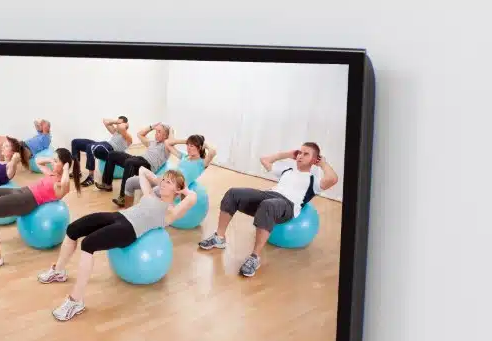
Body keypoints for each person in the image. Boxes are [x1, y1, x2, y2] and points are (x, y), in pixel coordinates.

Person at [38, 167, 199, 321]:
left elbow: (192, 197)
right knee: (73, 228)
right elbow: (142, 170)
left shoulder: (170, 211)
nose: (163, 183)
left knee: (88, 244)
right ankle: (58, 271)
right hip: (119, 216)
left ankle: (76, 300)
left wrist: (182, 190)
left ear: (177, 190)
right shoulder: (151, 194)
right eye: (164, 180)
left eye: (169, 183)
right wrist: (160, 181)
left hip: (129, 230)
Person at [197, 142, 337, 278]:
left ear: (314, 159)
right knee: (233, 193)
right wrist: (287, 154)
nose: (300, 156)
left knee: (268, 205)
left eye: (305, 154)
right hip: (269, 195)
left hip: (287, 205)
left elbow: (333, 179)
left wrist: (323, 163)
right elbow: (264, 160)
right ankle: (219, 237)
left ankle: (254, 257)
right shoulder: (287, 171)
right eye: (299, 152)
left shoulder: (314, 181)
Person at [0, 145, 75, 274]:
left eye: (57, 160)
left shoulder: (61, 184)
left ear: (64, 165)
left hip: (26, 201)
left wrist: (66, 169)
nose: (53, 162)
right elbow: (38, 161)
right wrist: (51, 160)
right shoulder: (52, 174)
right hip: (21, 191)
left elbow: (66, 183)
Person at [101, 122, 174, 206]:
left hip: (147, 166)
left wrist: (171, 129)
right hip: (138, 159)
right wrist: (152, 127)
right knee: (112, 154)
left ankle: (123, 198)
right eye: (156, 131)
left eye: (159, 132)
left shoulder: (166, 146)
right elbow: (140, 134)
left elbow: (171, 141)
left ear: (165, 136)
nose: (156, 134)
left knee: (130, 162)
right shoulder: (152, 142)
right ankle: (107, 184)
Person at [69, 116, 132, 187]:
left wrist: (124, 124)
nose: (117, 125)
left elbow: (122, 128)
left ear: (125, 125)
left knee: (91, 147)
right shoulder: (115, 132)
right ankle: (77, 171)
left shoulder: (127, 137)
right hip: (103, 145)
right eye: (117, 123)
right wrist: (117, 122)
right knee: (75, 142)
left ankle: (91, 177)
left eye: (119, 123)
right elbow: (105, 121)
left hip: (110, 151)